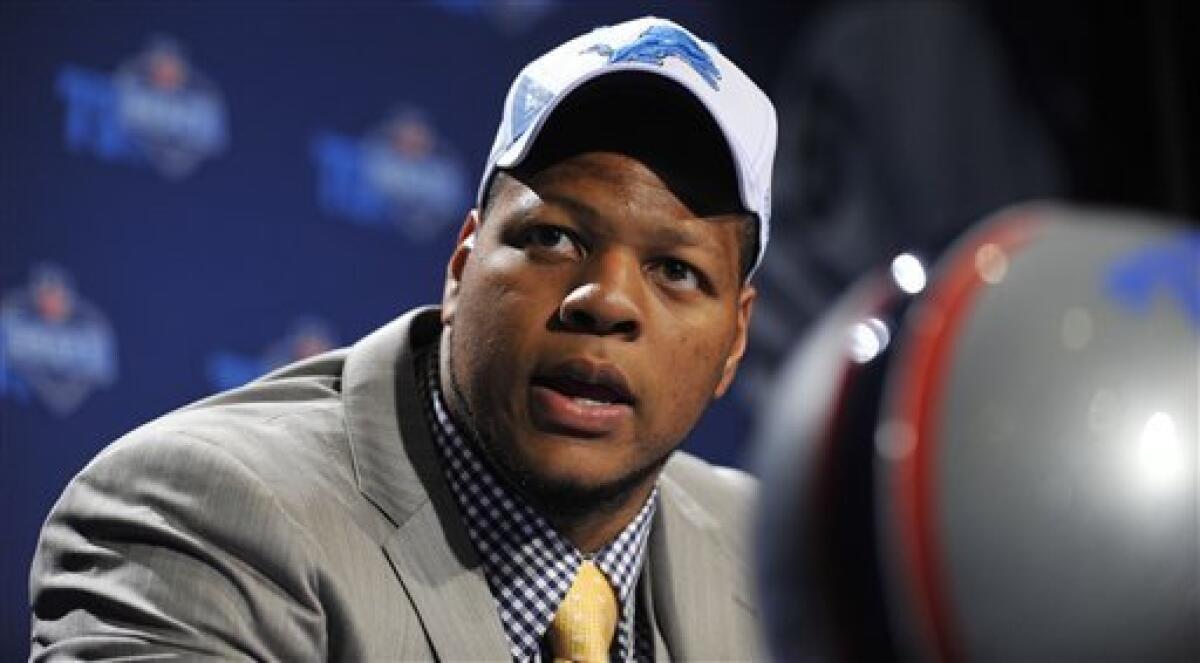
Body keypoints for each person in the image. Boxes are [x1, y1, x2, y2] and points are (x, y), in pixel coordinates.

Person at [29, 16, 777, 661]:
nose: (606, 300)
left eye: (676, 270)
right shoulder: (204, 519)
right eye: (551, 235)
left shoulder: (777, 550)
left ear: (735, 339)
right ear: (461, 266)